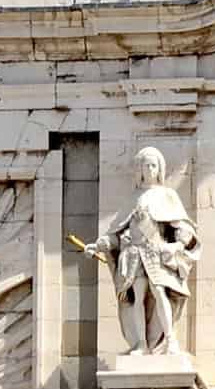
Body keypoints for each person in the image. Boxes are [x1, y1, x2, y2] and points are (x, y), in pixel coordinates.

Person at [82, 146, 200, 356]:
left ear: (160, 168)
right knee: (138, 297)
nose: (150, 169)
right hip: (134, 255)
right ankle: (141, 343)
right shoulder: (134, 198)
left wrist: (177, 245)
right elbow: (117, 233)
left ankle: (170, 339)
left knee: (159, 291)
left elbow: (183, 227)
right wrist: (98, 245)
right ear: (139, 169)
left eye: (153, 165)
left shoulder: (167, 195)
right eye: (146, 165)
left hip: (156, 253)